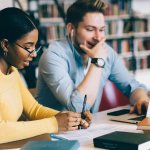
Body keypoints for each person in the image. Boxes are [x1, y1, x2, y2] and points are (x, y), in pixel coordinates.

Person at [36, 0, 149, 114]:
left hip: (90, 129)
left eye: (101, 30)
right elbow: (78, 108)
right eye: (90, 29)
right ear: (71, 29)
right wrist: (97, 62)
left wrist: (141, 100)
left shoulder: (106, 53)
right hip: (53, 130)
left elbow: (132, 87)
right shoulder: (53, 56)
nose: (98, 37)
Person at [0, 7, 91, 144]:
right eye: (28, 46)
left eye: (34, 46)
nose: (34, 53)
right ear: (5, 45)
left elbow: (33, 110)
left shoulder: (11, 71)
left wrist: (69, 118)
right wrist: (54, 123)